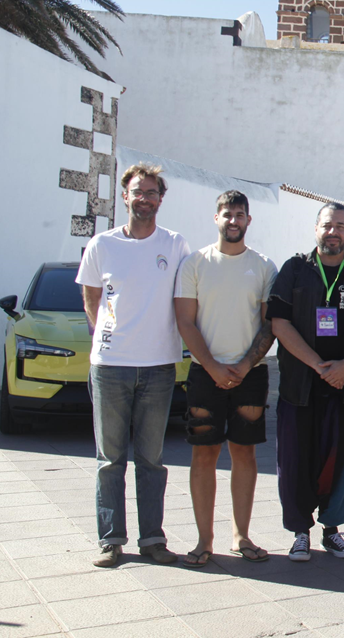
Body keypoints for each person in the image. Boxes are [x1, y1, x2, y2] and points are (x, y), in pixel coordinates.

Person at [77, 163, 191, 568]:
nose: (144, 198)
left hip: (160, 366)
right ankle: (111, 540)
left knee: (152, 460)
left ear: (161, 199)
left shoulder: (175, 244)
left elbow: (187, 298)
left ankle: (153, 539)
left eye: (152, 192)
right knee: (110, 459)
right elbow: (92, 297)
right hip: (110, 366)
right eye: (137, 191)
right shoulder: (102, 245)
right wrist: (106, 334)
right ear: (124, 196)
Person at [269, 203, 344, 562]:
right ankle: (300, 532)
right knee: (295, 460)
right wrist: (319, 365)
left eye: (340, 226)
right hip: (300, 385)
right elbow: (279, 324)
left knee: (340, 460)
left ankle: (332, 530)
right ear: (315, 229)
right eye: (326, 225)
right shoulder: (294, 269)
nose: (333, 232)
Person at [174, 190, 278, 567]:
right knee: (203, 455)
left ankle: (241, 536)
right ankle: (204, 540)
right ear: (215, 218)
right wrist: (214, 366)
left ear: (249, 220)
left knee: (244, 454)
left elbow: (270, 324)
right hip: (205, 373)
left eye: (240, 214)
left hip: (251, 375)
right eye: (226, 214)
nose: (233, 221)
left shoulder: (265, 267)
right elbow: (185, 321)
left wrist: (247, 364)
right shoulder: (195, 264)